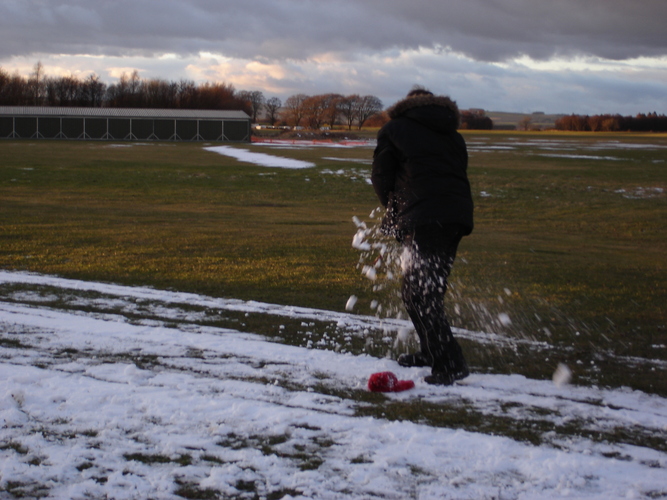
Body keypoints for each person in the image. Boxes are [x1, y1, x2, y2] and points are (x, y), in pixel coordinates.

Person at [371, 86, 474, 385]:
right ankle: (431, 352)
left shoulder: (394, 129)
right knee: (425, 291)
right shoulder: (453, 135)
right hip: (456, 216)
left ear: (406, 105)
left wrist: (394, 207)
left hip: (423, 216)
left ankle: (450, 363)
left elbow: (381, 176)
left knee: (419, 292)